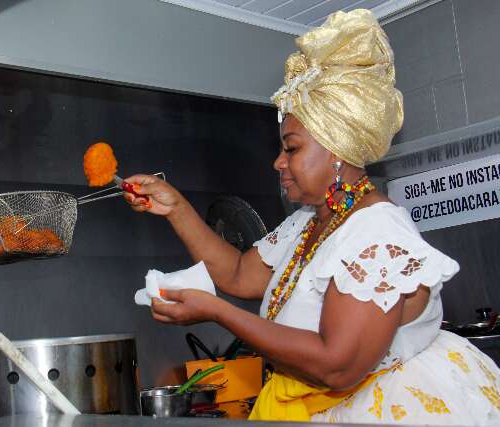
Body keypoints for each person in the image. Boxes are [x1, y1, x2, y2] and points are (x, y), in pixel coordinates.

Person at [123, 9, 500, 425]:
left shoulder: (375, 232)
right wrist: (175, 207)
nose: (278, 162)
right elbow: (236, 273)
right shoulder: (311, 220)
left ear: (337, 149)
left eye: (292, 148)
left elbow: (338, 365)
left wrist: (217, 312)